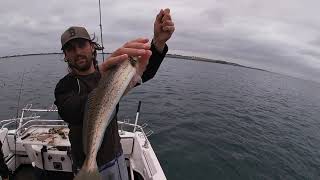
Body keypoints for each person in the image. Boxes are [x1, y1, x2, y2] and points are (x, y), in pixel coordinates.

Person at [54, 8, 175, 179]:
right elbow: (71, 111)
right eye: (70, 49)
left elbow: (144, 73)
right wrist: (100, 75)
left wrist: (158, 43)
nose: (78, 52)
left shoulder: (112, 74)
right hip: (85, 163)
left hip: (115, 158)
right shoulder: (65, 86)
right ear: (65, 55)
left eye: (82, 45)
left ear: (92, 47)